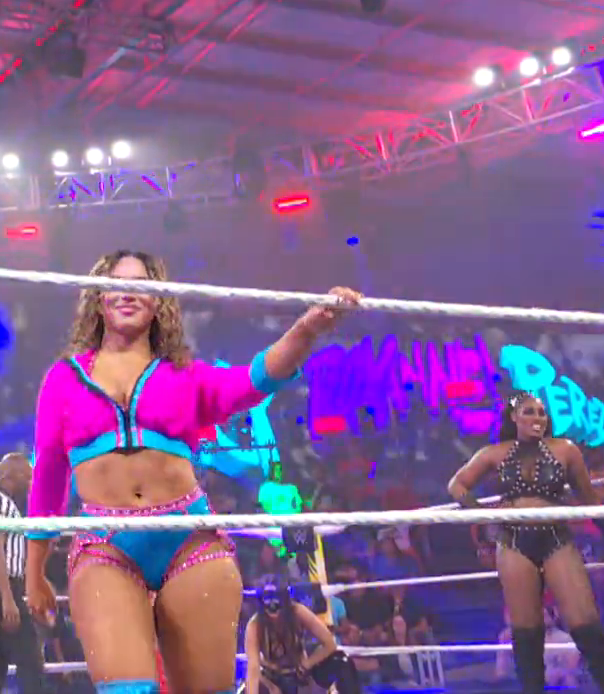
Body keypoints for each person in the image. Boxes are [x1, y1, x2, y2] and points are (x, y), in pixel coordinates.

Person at [23, 249, 357, 694]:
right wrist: (35, 572)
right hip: (106, 544)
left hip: (189, 539)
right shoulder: (63, 379)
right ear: (99, 299)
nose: (127, 294)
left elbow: (256, 380)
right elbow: (49, 475)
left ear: (158, 301)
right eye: (117, 284)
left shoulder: (184, 374)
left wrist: (307, 328)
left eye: (141, 285)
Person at [446, 392, 604, 694]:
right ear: (513, 417)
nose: (537, 418)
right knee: (526, 630)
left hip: (556, 536)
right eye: (529, 412)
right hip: (513, 541)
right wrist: (483, 513)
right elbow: (457, 484)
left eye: (542, 413)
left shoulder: (565, 449)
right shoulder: (494, 453)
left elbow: (589, 501)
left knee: (585, 622)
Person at [0, 453, 46, 694]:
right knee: (29, 657)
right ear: (12, 475)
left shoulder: (3, 502)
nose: (31, 484)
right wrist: (6, 597)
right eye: (28, 477)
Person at [243, 582, 359, 694]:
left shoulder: (298, 612)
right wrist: (270, 686)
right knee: (251, 687)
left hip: (300, 672)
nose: (274, 615)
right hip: (273, 676)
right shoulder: (254, 625)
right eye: (269, 608)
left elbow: (329, 644)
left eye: (277, 607)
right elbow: (253, 668)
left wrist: (307, 664)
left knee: (342, 661)